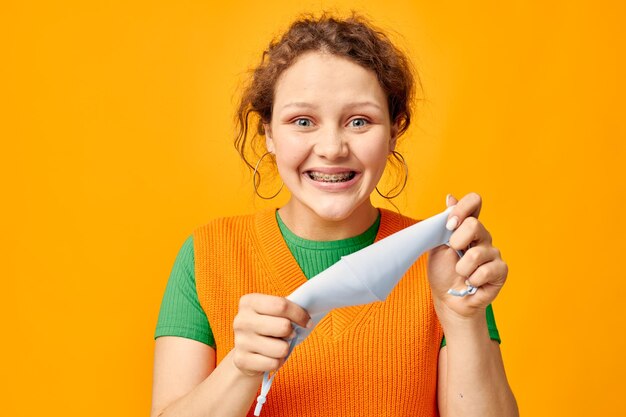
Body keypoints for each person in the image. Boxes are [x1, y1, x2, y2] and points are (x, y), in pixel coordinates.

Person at [150, 13, 519, 417]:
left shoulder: (446, 264)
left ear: (395, 130)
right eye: (302, 121)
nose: (332, 147)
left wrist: (461, 317)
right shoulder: (207, 255)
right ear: (269, 133)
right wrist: (240, 367)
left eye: (359, 121)